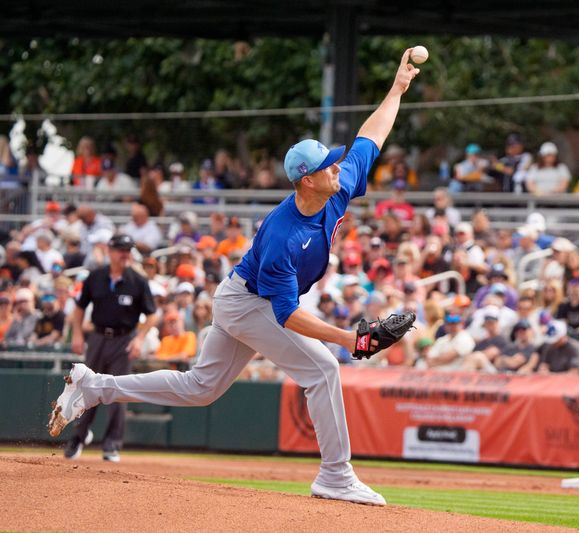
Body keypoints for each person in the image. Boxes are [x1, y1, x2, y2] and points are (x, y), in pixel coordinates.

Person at [48, 51, 421, 507]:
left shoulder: (337, 182)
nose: (338, 166)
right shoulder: (283, 235)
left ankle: (94, 386)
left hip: (242, 298)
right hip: (250, 304)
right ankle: (335, 476)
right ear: (305, 181)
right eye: (328, 164)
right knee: (323, 368)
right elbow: (285, 315)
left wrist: (398, 88)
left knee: (199, 389)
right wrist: (350, 338)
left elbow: (371, 135)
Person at [60, 234, 157, 462]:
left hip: (124, 339)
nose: (125, 254)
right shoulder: (96, 276)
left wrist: (140, 338)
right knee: (86, 388)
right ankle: (79, 437)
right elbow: (79, 308)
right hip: (98, 337)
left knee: (118, 393)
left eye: (128, 250)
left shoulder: (138, 280)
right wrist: (76, 333)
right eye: (121, 249)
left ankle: (112, 445)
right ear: (110, 251)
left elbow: (152, 314)